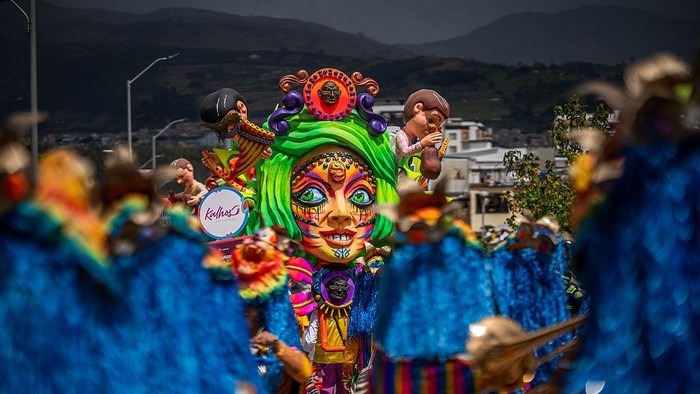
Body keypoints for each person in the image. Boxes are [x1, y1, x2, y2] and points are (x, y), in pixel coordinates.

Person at [391, 89, 450, 162]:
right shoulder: (401, 135)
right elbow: (406, 152)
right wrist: (422, 144)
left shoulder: (411, 141)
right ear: (417, 108)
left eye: (438, 126)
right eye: (431, 120)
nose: (433, 128)